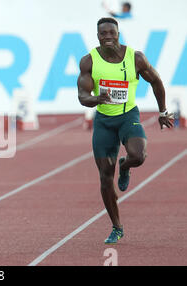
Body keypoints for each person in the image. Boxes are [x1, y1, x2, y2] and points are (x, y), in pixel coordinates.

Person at [77, 18, 173, 244]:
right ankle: (116, 226)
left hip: (128, 116)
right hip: (104, 122)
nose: (108, 36)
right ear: (98, 36)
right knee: (104, 179)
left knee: (139, 156)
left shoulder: (135, 58)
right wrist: (95, 99)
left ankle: (125, 165)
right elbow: (82, 96)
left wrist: (162, 111)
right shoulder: (89, 61)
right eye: (103, 34)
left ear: (119, 33)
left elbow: (156, 81)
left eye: (112, 32)